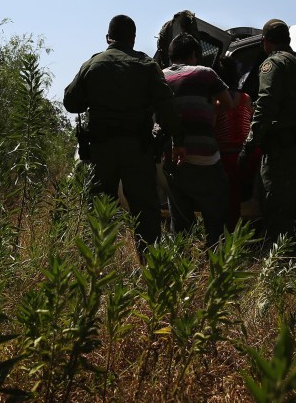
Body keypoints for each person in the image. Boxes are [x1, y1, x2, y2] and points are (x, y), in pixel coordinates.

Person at [63, 14, 186, 259]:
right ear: (133, 39)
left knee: (101, 211)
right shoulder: (145, 65)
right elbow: (166, 107)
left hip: (101, 150)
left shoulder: (93, 64)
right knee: (145, 212)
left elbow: (71, 102)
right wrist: (179, 140)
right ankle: (150, 266)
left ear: (108, 37)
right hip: (137, 150)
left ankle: (99, 268)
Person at [239, 18, 296, 252]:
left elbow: (265, 107)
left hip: (282, 153)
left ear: (265, 41)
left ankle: (279, 270)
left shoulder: (273, 64)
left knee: (277, 213)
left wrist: (248, 147)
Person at [162, 33, 233, 248]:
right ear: (194, 54)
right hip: (205, 156)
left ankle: (182, 266)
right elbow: (227, 102)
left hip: (172, 155)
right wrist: (209, 110)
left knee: (180, 218)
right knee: (215, 212)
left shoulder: (160, 76)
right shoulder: (205, 73)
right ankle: (215, 259)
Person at [213, 57, 257, 231]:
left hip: (227, 158)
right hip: (249, 156)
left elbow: (212, 126)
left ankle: (229, 235)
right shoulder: (246, 98)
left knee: (228, 203)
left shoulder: (217, 102)